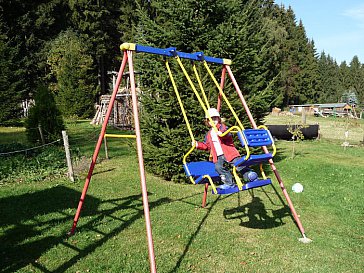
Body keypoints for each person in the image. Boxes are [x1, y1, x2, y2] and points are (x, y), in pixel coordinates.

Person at [194, 108, 258, 189]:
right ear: (207, 122)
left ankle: (249, 175)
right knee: (218, 168)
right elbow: (207, 146)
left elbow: (227, 134)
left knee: (238, 165)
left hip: (229, 152)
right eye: (210, 119)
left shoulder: (222, 127)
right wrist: (198, 145)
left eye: (215, 118)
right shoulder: (209, 134)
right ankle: (229, 183)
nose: (213, 121)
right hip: (218, 156)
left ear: (219, 119)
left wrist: (222, 133)